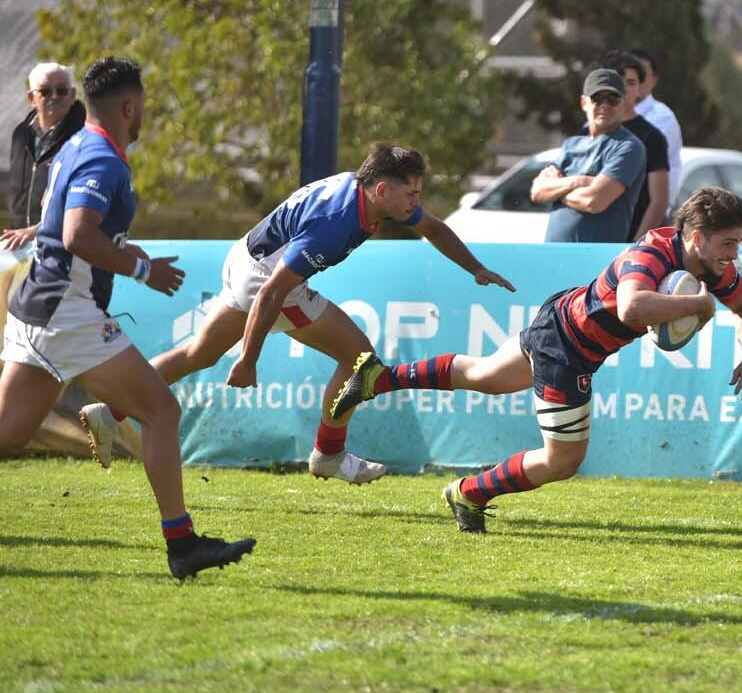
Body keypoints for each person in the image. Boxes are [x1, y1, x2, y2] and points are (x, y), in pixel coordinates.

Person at [330, 186, 742, 533]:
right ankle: (469, 493)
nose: (735, 254)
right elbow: (632, 308)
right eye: (729, 242)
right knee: (563, 461)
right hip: (567, 349)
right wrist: (698, 308)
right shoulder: (649, 254)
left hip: (563, 322)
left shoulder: (715, 266)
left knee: (483, 374)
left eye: (739, 243)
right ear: (696, 238)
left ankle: (377, 378)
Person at [79, 143, 516, 484]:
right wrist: (248, 360)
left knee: (198, 354)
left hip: (245, 256)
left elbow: (433, 228)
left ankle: (112, 410)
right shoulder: (339, 221)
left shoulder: (366, 189)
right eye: (412, 194)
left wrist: (476, 268)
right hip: (265, 280)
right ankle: (328, 454)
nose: (415, 202)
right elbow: (272, 293)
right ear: (382, 190)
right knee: (359, 359)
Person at [0, 56, 255, 579]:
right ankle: (182, 544)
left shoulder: (76, 145)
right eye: (142, 110)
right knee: (161, 410)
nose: (143, 119)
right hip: (65, 314)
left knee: (10, 432)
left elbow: (69, 231)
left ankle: (183, 544)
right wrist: (141, 269)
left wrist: (129, 251)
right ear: (129, 106)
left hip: (38, 303)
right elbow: (75, 234)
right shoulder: (104, 159)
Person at [531, 68, 645, 243]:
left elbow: (594, 201)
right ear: (584, 103)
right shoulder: (571, 145)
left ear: (623, 104)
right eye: (597, 98)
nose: (605, 105)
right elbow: (537, 192)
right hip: (552, 254)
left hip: (596, 259)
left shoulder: (629, 147)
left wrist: (557, 192)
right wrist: (578, 181)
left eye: (612, 99)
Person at [4, 62, 86, 250]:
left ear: (73, 96)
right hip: (19, 248)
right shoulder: (20, 135)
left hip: (61, 249)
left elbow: (83, 205)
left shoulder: (84, 139)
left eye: (62, 91)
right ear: (31, 97)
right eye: (46, 91)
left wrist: (38, 230)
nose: (55, 96)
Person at [598, 51, 671, 241]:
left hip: (630, 242)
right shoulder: (586, 133)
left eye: (631, 83)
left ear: (639, 88)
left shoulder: (652, 137)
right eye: (618, 82)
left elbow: (659, 201)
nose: (624, 89)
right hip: (590, 241)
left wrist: (636, 246)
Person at [628, 48, 684, 208]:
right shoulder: (605, 115)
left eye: (641, 74)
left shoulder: (662, 117)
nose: (636, 81)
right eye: (629, 76)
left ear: (654, 80)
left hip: (649, 213)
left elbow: (631, 160)